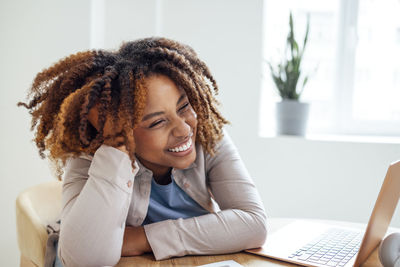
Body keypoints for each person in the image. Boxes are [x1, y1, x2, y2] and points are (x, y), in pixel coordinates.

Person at [18, 37, 267, 266]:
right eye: (157, 122)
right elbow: (86, 260)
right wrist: (116, 145)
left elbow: (253, 224)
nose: (183, 130)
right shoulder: (91, 156)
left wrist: (141, 238)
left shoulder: (207, 136)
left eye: (184, 106)